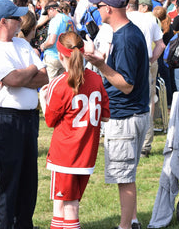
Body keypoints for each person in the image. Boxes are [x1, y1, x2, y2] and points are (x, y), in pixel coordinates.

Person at [0, 0, 48, 229]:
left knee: (28, 180)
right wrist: (29, 70)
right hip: (3, 118)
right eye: (16, 18)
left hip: (28, 118)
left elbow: (44, 76)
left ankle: (23, 225)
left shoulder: (21, 45)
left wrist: (23, 76)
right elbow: (14, 79)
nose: (20, 21)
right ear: (2, 22)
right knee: (6, 182)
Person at [84, 0, 149, 229]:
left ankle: (125, 226)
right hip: (131, 113)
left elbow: (126, 84)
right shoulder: (128, 32)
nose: (97, 10)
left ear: (109, 8)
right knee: (126, 175)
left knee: (124, 177)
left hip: (125, 115)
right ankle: (131, 221)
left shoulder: (124, 38)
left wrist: (100, 65)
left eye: (99, 6)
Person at [39, 31, 110, 229]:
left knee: (69, 207)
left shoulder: (59, 83)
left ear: (61, 56)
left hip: (65, 154)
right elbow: (105, 116)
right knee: (62, 203)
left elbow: (50, 120)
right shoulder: (96, 79)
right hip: (87, 152)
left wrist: (43, 101)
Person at [126, 0, 165, 157]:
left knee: (128, 101)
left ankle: (130, 141)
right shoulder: (150, 20)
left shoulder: (125, 18)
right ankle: (145, 144)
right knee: (148, 102)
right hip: (147, 63)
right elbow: (161, 45)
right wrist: (151, 60)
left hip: (129, 64)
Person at [40, 2, 75, 81]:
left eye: (48, 12)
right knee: (64, 82)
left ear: (52, 9)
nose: (48, 15)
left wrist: (43, 46)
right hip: (66, 57)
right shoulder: (69, 19)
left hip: (53, 56)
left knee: (52, 83)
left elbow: (51, 41)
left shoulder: (55, 20)